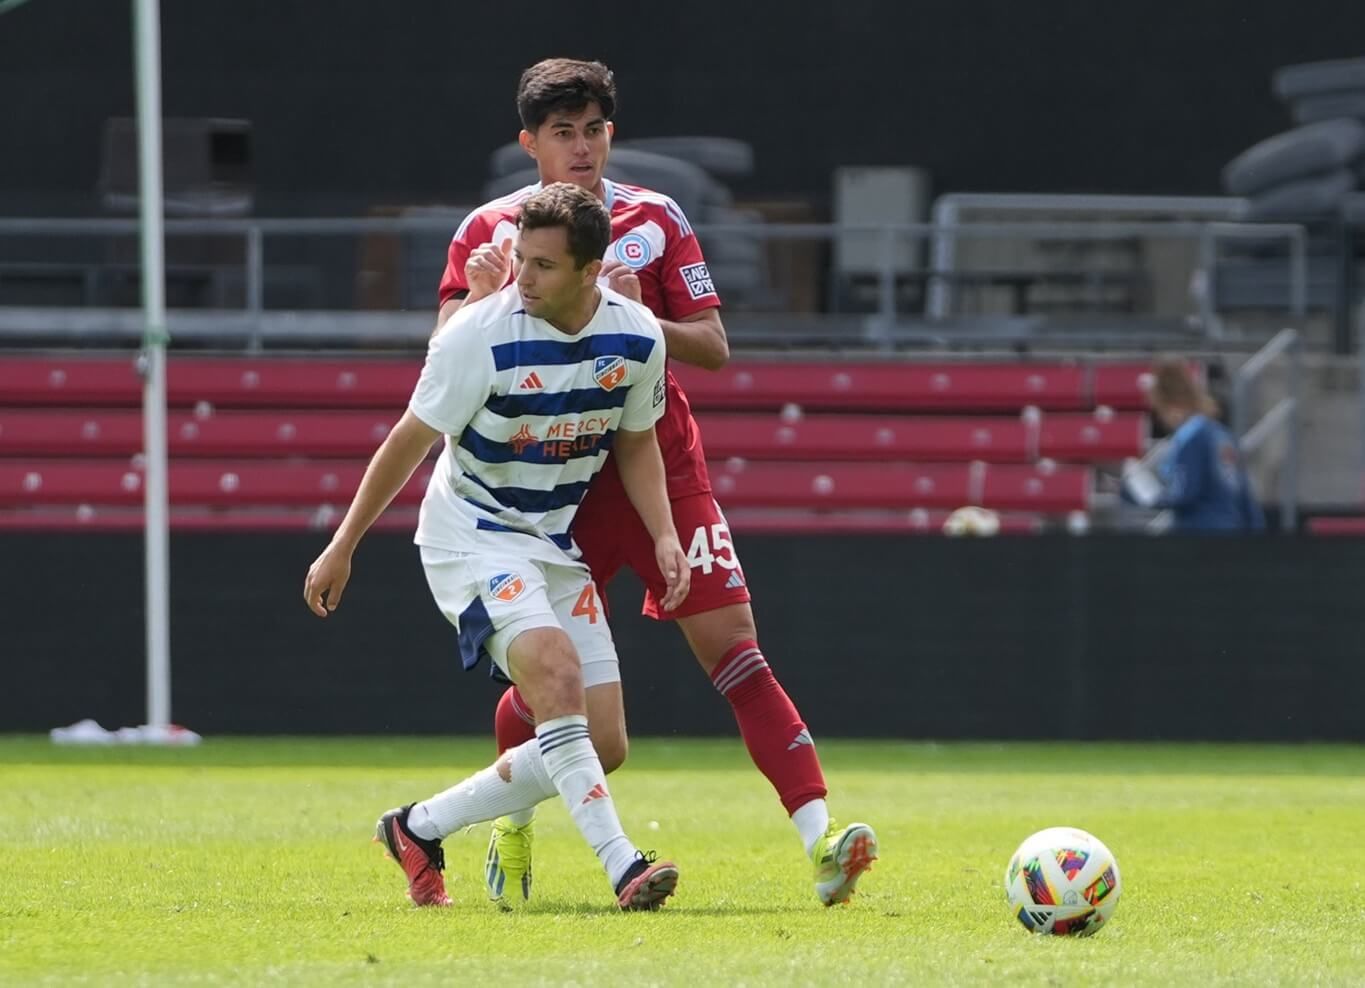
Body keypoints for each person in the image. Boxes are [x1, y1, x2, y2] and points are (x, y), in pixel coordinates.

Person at [438, 57, 876, 908]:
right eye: (562, 132)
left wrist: (640, 319)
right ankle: (513, 819)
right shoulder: (488, 232)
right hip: (553, 480)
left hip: (661, 464)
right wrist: (485, 300)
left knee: (738, 651)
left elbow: (712, 345)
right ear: (529, 143)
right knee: (548, 686)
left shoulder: (657, 218)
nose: (582, 147)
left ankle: (823, 842)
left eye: (594, 128)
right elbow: (443, 345)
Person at [304, 183, 688, 910]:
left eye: (542, 265)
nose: (523, 277)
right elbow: (407, 442)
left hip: (548, 539)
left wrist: (665, 533)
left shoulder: (638, 335)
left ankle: (417, 828)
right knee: (553, 671)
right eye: (519, 259)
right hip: (470, 535)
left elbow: (636, 443)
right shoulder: (478, 335)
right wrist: (343, 544)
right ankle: (622, 865)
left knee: (602, 745)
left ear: (588, 269)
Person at [1122, 358, 1266, 533]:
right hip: (1233, 531)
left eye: (1160, 411)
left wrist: (1142, 495)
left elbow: (1184, 495)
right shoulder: (1221, 434)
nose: (1162, 420)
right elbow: (1244, 497)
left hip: (1200, 535)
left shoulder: (1191, 439)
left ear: (1172, 405)